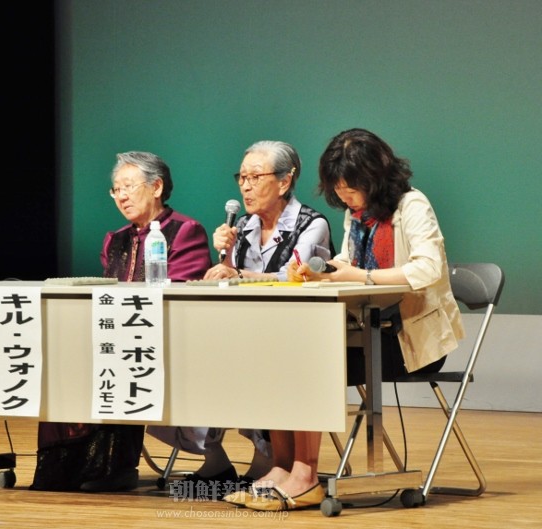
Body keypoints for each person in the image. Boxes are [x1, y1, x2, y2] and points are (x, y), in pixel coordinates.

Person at [244, 128, 465, 511]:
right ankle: (282, 467)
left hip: (408, 340)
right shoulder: (356, 214)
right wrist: (321, 271)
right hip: (361, 332)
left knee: (307, 364)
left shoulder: (411, 205)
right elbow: (348, 260)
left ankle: (305, 476)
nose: (343, 195)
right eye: (338, 188)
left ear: (375, 177)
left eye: (350, 187)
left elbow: (428, 268)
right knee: (278, 357)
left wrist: (360, 276)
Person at [148, 140, 335, 501]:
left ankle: (281, 464)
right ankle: (216, 456)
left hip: (301, 335)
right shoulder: (244, 226)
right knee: (183, 350)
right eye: (242, 178)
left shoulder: (312, 224)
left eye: (255, 177)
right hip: (249, 332)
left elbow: (296, 276)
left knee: (271, 359)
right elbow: (229, 280)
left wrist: (238, 274)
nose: (245, 187)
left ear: (284, 182)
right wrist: (224, 259)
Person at [30, 151, 212, 493]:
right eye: (116, 189)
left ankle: (114, 466)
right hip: (116, 334)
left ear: (156, 187)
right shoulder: (115, 239)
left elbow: (181, 296)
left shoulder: (184, 231)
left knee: (115, 360)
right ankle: (65, 467)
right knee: (63, 358)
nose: (122, 196)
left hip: (164, 340)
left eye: (129, 186)